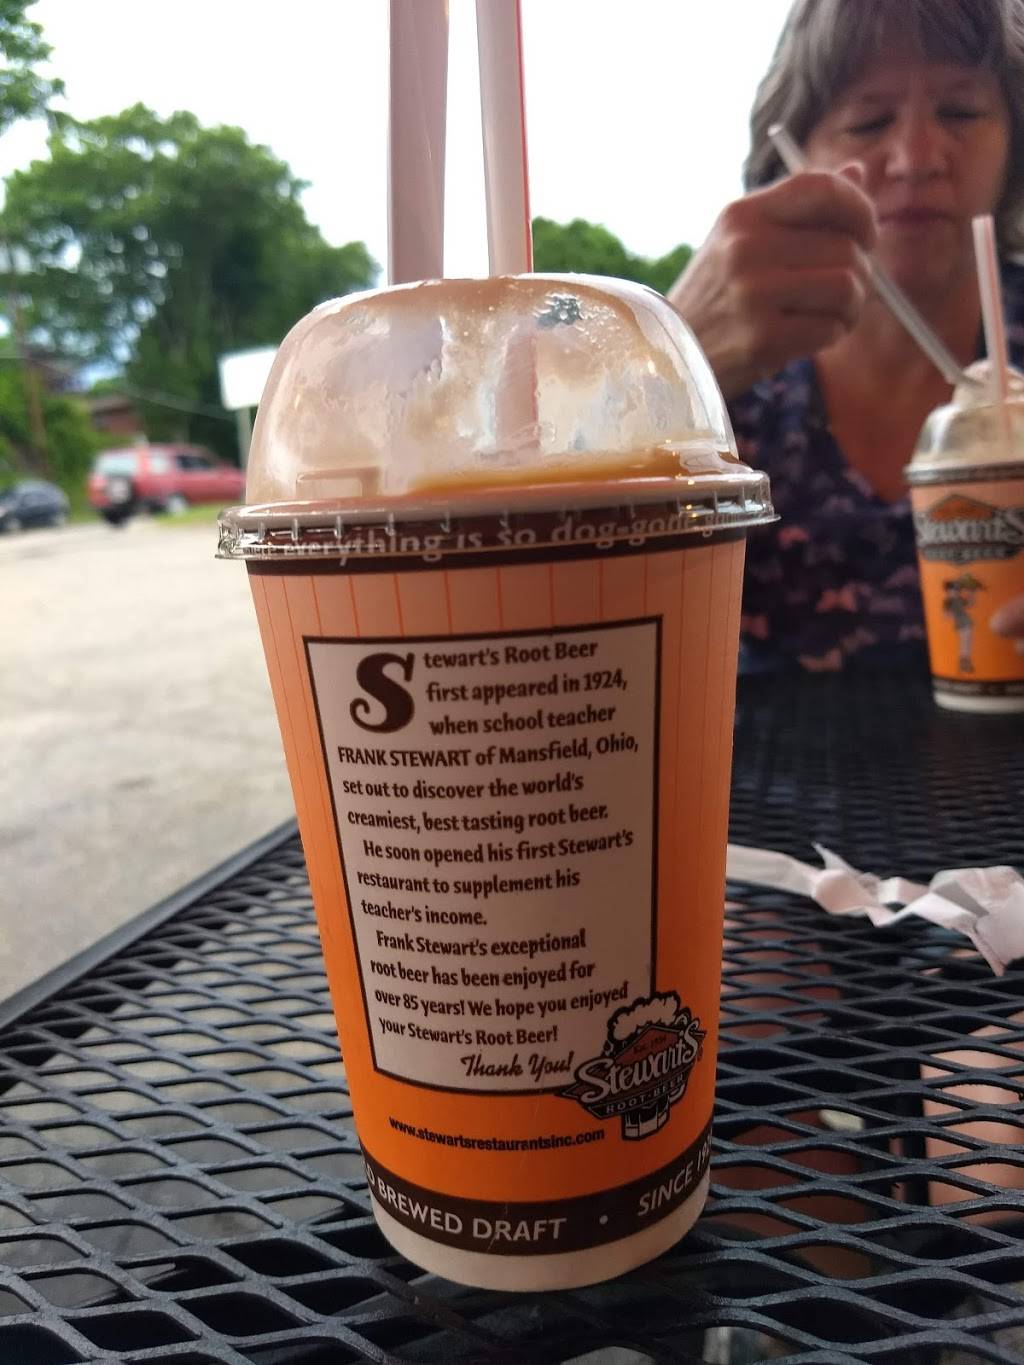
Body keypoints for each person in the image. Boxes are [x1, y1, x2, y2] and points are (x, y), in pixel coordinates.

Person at [669, 0, 1024, 671]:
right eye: (869, 121)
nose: (918, 159)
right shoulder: (722, 382)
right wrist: (672, 355)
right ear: (794, 162)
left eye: (960, 112)